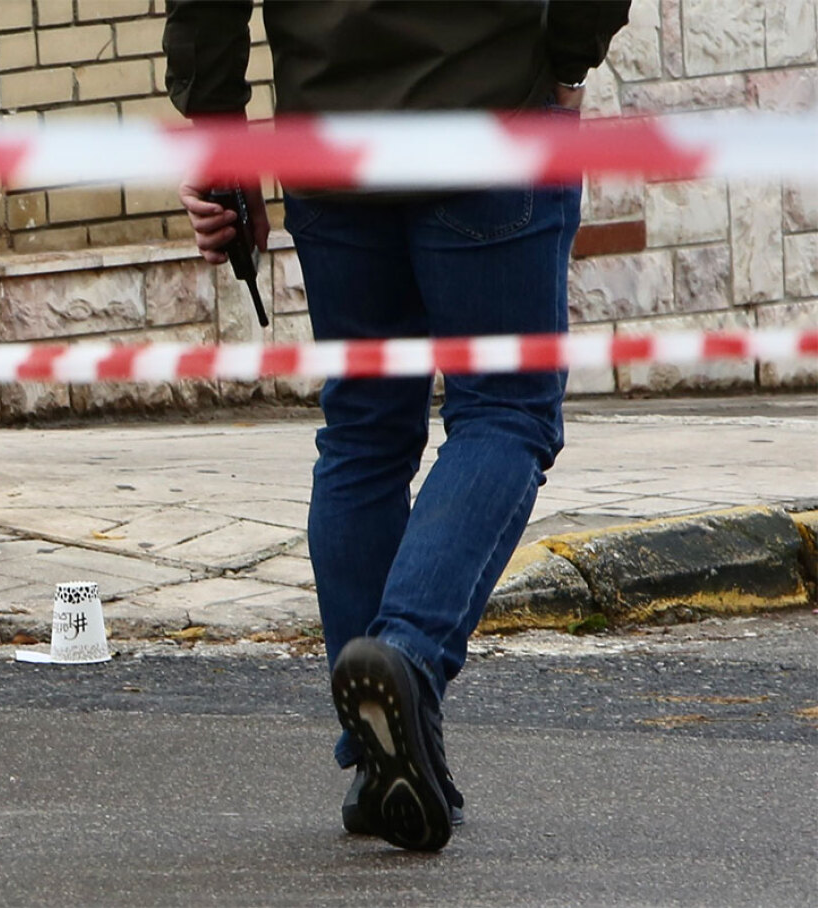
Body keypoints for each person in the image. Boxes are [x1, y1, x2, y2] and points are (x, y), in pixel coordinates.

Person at [164, 0, 631, 852]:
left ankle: (378, 764)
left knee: (364, 435)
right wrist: (569, 64)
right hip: (492, 116)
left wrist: (220, 132)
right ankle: (406, 657)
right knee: (506, 414)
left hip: (331, 141)